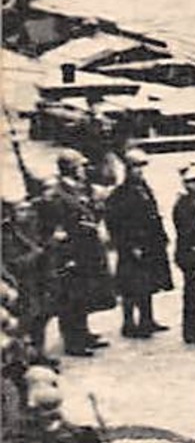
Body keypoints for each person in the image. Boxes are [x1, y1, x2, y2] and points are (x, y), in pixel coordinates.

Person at [39, 151, 115, 357]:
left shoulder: (79, 189)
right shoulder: (57, 194)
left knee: (84, 294)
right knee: (71, 297)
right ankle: (73, 341)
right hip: (72, 252)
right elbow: (58, 227)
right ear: (70, 169)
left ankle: (84, 332)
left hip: (87, 250)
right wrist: (66, 254)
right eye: (79, 166)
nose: (83, 170)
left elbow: (89, 212)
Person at [103, 150, 172, 339]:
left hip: (149, 243)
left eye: (141, 167)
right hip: (132, 247)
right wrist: (129, 245)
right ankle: (128, 323)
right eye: (135, 167)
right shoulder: (120, 194)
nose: (139, 171)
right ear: (127, 169)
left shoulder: (143, 187)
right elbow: (115, 223)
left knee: (147, 284)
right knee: (130, 287)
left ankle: (147, 320)